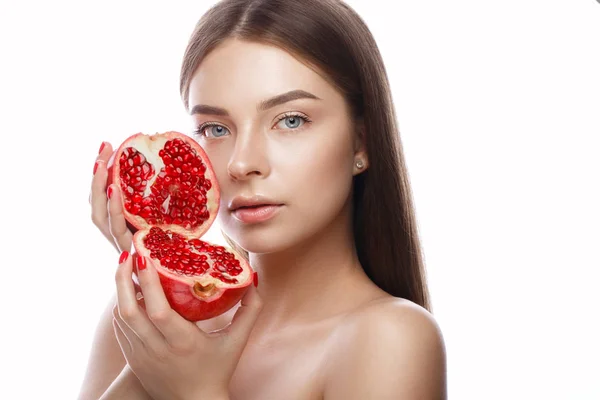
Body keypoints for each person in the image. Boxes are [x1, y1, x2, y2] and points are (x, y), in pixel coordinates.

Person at [80, 0, 447, 398]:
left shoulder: (389, 338)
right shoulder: (137, 325)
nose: (242, 163)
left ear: (362, 141)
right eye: (215, 128)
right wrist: (162, 277)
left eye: (291, 120)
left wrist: (197, 391)